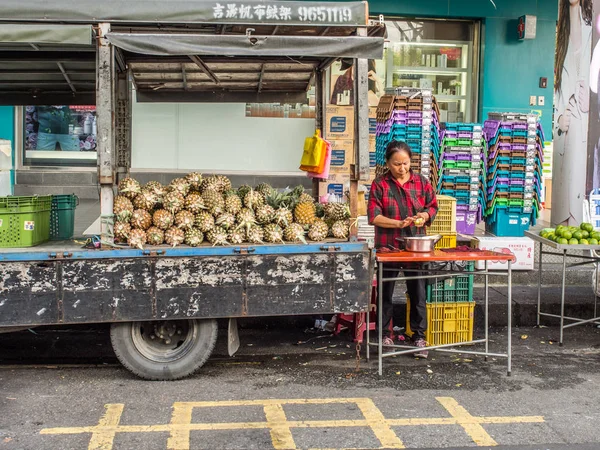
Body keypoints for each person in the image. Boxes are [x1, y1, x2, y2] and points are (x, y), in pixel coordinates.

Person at [367, 140, 438, 358]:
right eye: (397, 164)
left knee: (417, 292)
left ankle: (419, 336)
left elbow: (433, 206)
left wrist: (424, 216)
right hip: (388, 247)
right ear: (387, 163)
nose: (402, 168)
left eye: (405, 163)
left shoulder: (421, 182)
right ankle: (385, 335)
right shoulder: (379, 185)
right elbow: (373, 217)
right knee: (385, 292)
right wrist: (398, 224)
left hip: (416, 247)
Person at [553, 0, 593, 225]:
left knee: (577, 178)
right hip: (569, 120)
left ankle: (576, 220)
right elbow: (560, 90)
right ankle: (569, 220)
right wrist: (560, 119)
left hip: (584, 119)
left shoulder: (592, 31)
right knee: (568, 181)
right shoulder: (564, 36)